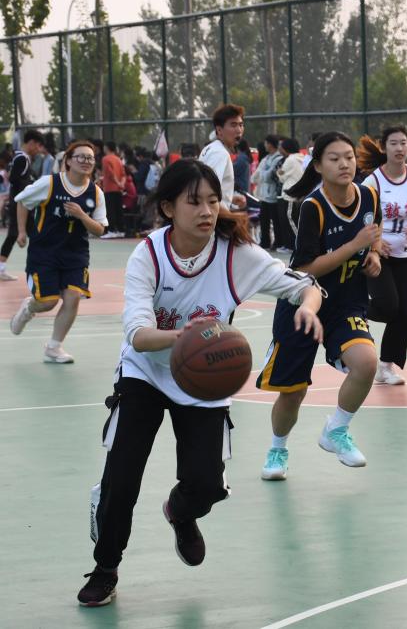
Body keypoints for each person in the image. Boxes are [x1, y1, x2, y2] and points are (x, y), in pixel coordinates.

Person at [76, 158, 323, 607]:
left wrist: (307, 306)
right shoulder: (149, 255)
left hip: (203, 380)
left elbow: (305, 285)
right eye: (195, 202)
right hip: (146, 371)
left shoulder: (236, 254)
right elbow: (138, 334)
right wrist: (187, 339)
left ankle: (181, 510)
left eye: (213, 200)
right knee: (122, 479)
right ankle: (105, 567)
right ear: (168, 208)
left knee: (207, 485)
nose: (207, 210)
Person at [257, 132, 382, 479]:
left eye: (349, 157)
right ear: (317, 166)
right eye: (334, 159)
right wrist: (353, 246)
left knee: (367, 363)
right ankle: (277, 450)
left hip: (346, 303)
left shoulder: (369, 195)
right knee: (293, 392)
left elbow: (375, 233)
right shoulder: (312, 207)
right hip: (302, 303)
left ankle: (336, 430)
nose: (344, 164)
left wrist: (373, 254)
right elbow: (305, 269)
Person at [9, 141, 108, 363]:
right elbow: (22, 201)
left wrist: (82, 215)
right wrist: (22, 231)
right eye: (81, 157)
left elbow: (100, 229)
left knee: (73, 298)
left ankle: (54, 347)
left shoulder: (96, 193)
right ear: (69, 161)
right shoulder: (49, 183)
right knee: (48, 302)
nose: (86, 161)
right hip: (44, 253)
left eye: (90, 158)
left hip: (76, 255)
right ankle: (29, 308)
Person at [357, 126, 407, 385]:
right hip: (376, 255)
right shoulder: (373, 182)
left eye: (403, 142)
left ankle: (385, 367)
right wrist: (376, 243)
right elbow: (360, 217)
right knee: (389, 307)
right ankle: (352, 309)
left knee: (406, 319)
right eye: (394, 143)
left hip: (406, 255)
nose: (400, 148)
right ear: (384, 147)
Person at [0, 129, 45, 280]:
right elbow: (14, 179)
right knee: (16, 234)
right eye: (38, 146)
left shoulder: (19, 157)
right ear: (31, 143)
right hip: (20, 203)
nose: (39, 150)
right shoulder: (22, 158)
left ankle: (41, 267)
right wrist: (29, 186)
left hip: (22, 203)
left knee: (33, 234)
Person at [198, 103, 245, 210]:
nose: (239, 130)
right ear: (219, 130)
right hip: (214, 217)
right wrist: (233, 217)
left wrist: (229, 198)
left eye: (241, 125)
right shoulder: (220, 153)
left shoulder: (210, 148)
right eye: (233, 125)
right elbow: (208, 194)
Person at [253, 134, 284, 249]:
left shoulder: (278, 158)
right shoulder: (267, 158)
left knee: (276, 221)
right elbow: (257, 175)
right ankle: (265, 241)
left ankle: (278, 242)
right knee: (264, 220)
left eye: (266, 143)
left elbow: (268, 176)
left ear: (270, 144)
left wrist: (262, 173)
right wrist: (263, 174)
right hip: (264, 195)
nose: (265, 145)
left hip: (273, 195)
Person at [276, 137, 304, 251]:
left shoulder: (290, 160)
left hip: (290, 194)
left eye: (281, 147)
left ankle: (299, 245)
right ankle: (293, 245)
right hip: (297, 193)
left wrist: (278, 172)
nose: (280, 149)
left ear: (286, 148)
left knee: (291, 220)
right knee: (294, 220)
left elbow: (282, 177)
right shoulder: (301, 158)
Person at [99, 142, 127, 239]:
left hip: (109, 188)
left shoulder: (105, 159)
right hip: (118, 189)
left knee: (110, 210)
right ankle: (121, 230)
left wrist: (117, 183)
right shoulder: (118, 159)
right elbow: (123, 174)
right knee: (118, 209)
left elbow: (110, 173)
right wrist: (121, 184)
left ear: (106, 148)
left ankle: (111, 230)